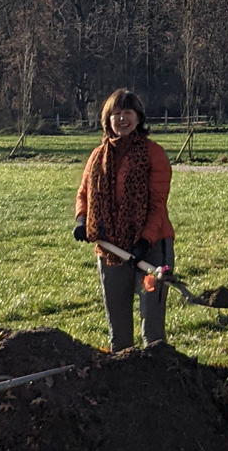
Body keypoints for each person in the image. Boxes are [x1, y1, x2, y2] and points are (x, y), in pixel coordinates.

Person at [75, 89, 175, 350]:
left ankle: (155, 379)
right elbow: (84, 193)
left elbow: (157, 204)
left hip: (151, 251)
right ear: (107, 120)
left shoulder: (154, 154)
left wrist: (145, 240)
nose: (122, 119)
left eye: (127, 113)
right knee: (118, 330)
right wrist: (81, 219)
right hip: (111, 250)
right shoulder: (98, 156)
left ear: (138, 117)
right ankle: (122, 382)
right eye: (116, 114)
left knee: (151, 329)